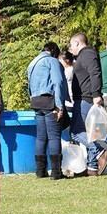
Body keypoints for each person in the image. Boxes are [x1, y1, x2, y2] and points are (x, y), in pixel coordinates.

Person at [68, 33, 107, 176]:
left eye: (71, 45)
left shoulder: (87, 54)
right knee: (89, 133)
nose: (70, 49)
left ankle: (100, 152)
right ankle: (92, 167)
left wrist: (96, 94)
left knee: (75, 132)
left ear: (77, 43)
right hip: (86, 97)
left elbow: (95, 73)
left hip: (86, 99)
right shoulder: (85, 55)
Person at [27, 42, 70, 180]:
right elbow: (58, 83)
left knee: (41, 137)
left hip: (37, 102)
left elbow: (29, 85)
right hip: (50, 102)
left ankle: (40, 171)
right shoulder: (52, 62)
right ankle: (56, 172)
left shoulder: (33, 63)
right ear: (54, 51)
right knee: (54, 136)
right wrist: (59, 105)